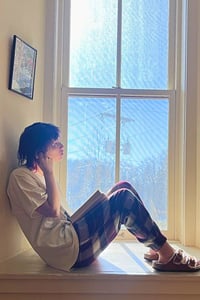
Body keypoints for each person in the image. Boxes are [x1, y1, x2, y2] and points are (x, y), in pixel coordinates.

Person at [7, 122, 200, 272]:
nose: (61, 146)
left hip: (71, 239)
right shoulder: (20, 177)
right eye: (54, 143)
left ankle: (157, 246)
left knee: (123, 186)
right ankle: (167, 255)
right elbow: (53, 211)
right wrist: (49, 172)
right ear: (39, 152)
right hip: (67, 252)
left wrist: (48, 172)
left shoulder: (37, 175)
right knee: (123, 198)